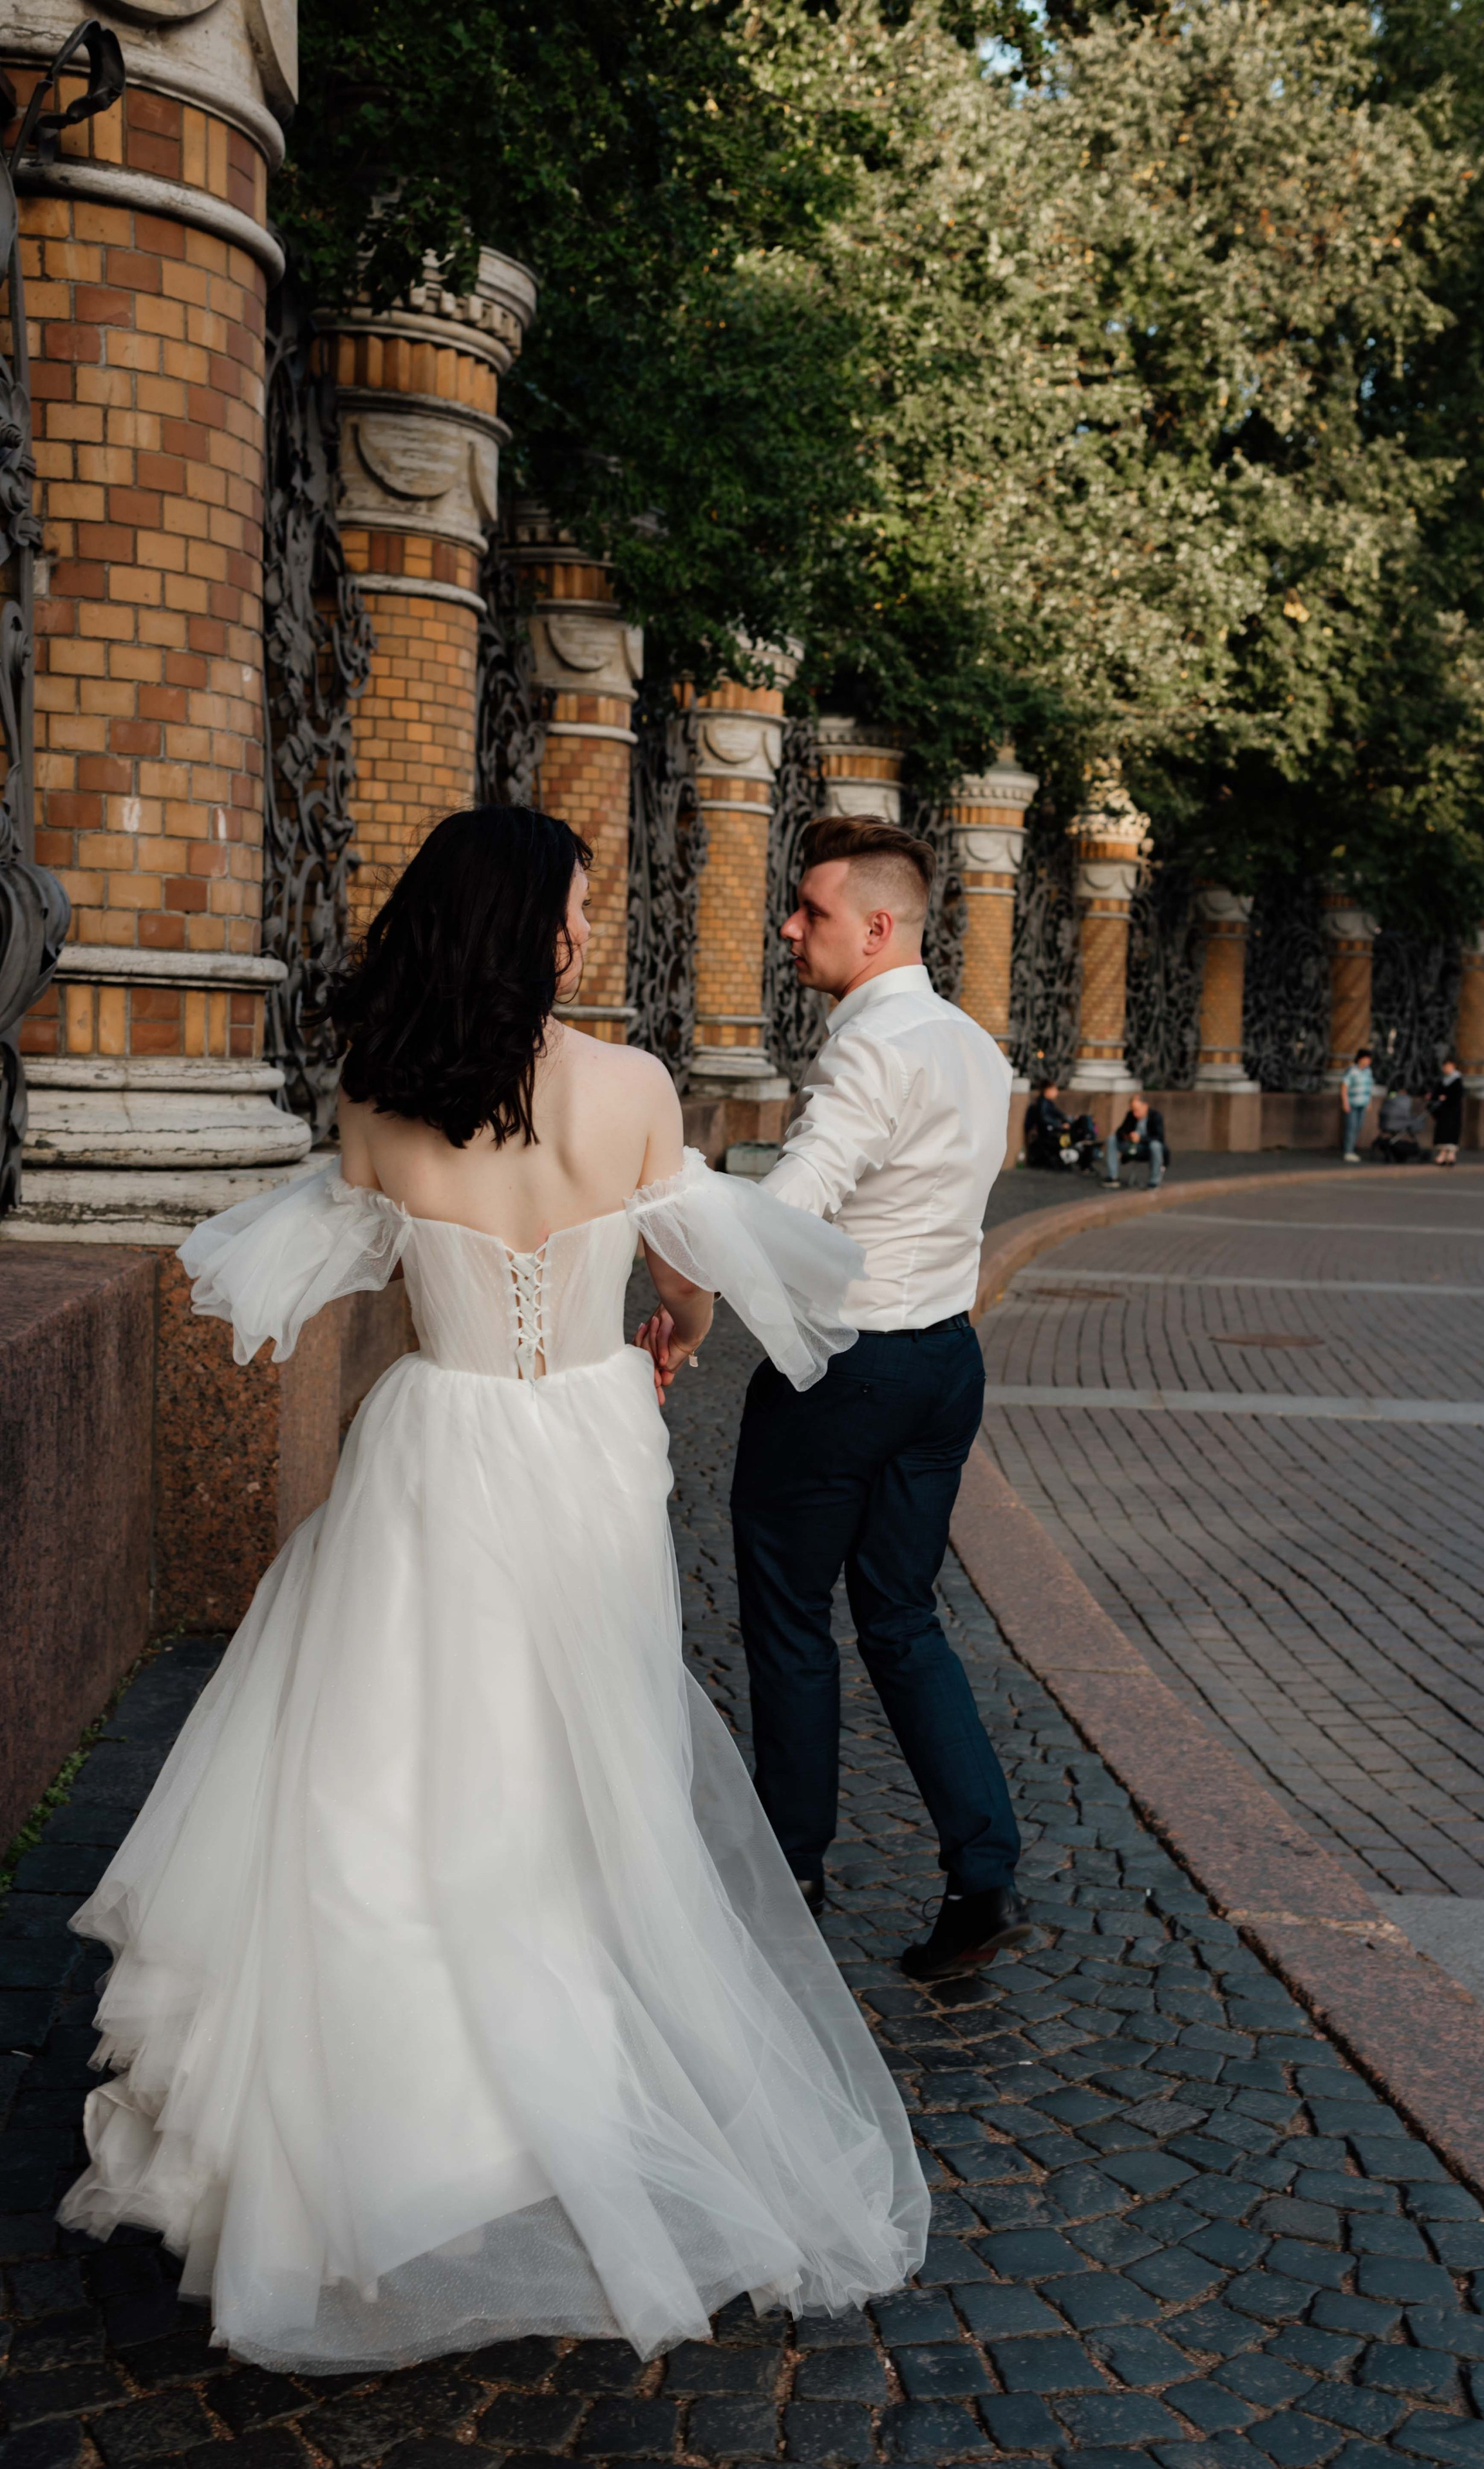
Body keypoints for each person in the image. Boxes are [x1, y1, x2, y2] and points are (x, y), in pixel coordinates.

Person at [56, 808, 928, 2370]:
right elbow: (694, 1270)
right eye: (576, 910)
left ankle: (393, 2122)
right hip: (584, 1452)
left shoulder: (380, 1101)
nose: (585, 934)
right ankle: (553, 2104)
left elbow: (350, 1273)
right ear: (530, 922)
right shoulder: (635, 1089)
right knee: (571, 1776)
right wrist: (656, 1334)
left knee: (387, 1779)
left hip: (435, 1446)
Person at [728, 814, 1031, 1986]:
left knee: (793, 1614)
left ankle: (789, 1875)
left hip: (850, 1372)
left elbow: (796, 1203)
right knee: (901, 1620)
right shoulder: (970, 1043)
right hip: (945, 1364)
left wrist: (686, 1243)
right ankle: (983, 1873)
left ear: (876, 924)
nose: (789, 927)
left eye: (807, 910)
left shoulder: (867, 1049)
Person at [1102, 1093, 1169, 1189]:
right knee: (1112, 1139)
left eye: (1137, 1110)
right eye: (1133, 1110)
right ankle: (1113, 1177)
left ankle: (1154, 1182)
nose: (1135, 1114)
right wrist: (1128, 1136)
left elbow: (1159, 1137)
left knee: (1155, 1145)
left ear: (1145, 1106)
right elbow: (1120, 1132)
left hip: (1148, 1148)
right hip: (1133, 1147)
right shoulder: (1131, 1116)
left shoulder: (1156, 1116)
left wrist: (1141, 1139)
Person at [1428, 1055, 1465, 1166]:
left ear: (1453, 1067)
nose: (1446, 1068)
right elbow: (1436, 1093)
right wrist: (1434, 1097)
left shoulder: (1457, 1080)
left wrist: (1446, 1097)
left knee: (1451, 1133)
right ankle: (1443, 1154)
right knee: (1442, 1132)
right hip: (1443, 1112)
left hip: (1453, 1111)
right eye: (1445, 1066)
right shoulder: (1443, 1080)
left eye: (1448, 1066)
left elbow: (1458, 1095)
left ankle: (1451, 1154)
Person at [1340, 1046, 1375, 1161]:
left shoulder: (1368, 1072)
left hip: (1363, 1103)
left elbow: (1369, 1088)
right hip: (1352, 1103)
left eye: (1369, 1059)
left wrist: (1369, 1102)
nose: (1368, 1062)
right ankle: (1348, 1151)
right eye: (1366, 1059)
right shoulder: (1352, 1070)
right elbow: (1344, 1087)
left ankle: (1351, 1149)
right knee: (1351, 1127)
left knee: (1358, 1127)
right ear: (1360, 1059)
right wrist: (1345, 1102)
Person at [1371, 1085, 1422, 1164]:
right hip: (1398, 1121)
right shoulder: (1403, 1100)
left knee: (1391, 1138)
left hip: (1388, 1121)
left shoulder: (1394, 1099)